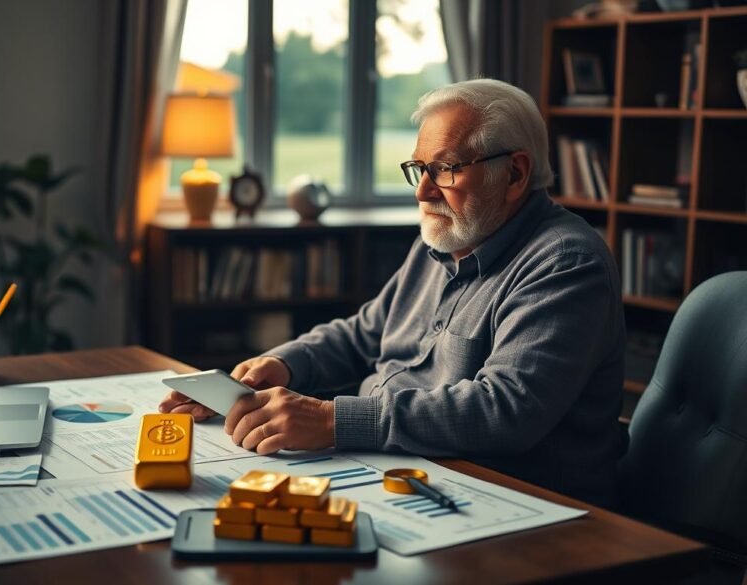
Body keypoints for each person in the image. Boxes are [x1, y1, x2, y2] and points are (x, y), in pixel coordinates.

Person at [159, 79, 626, 507]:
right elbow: (363, 334)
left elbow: (504, 411)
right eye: (419, 168)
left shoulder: (565, 262)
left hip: (511, 500)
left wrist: (331, 421)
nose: (423, 192)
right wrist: (282, 365)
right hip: (403, 471)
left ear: (515, 174)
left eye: (445, 169)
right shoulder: (447, 234)